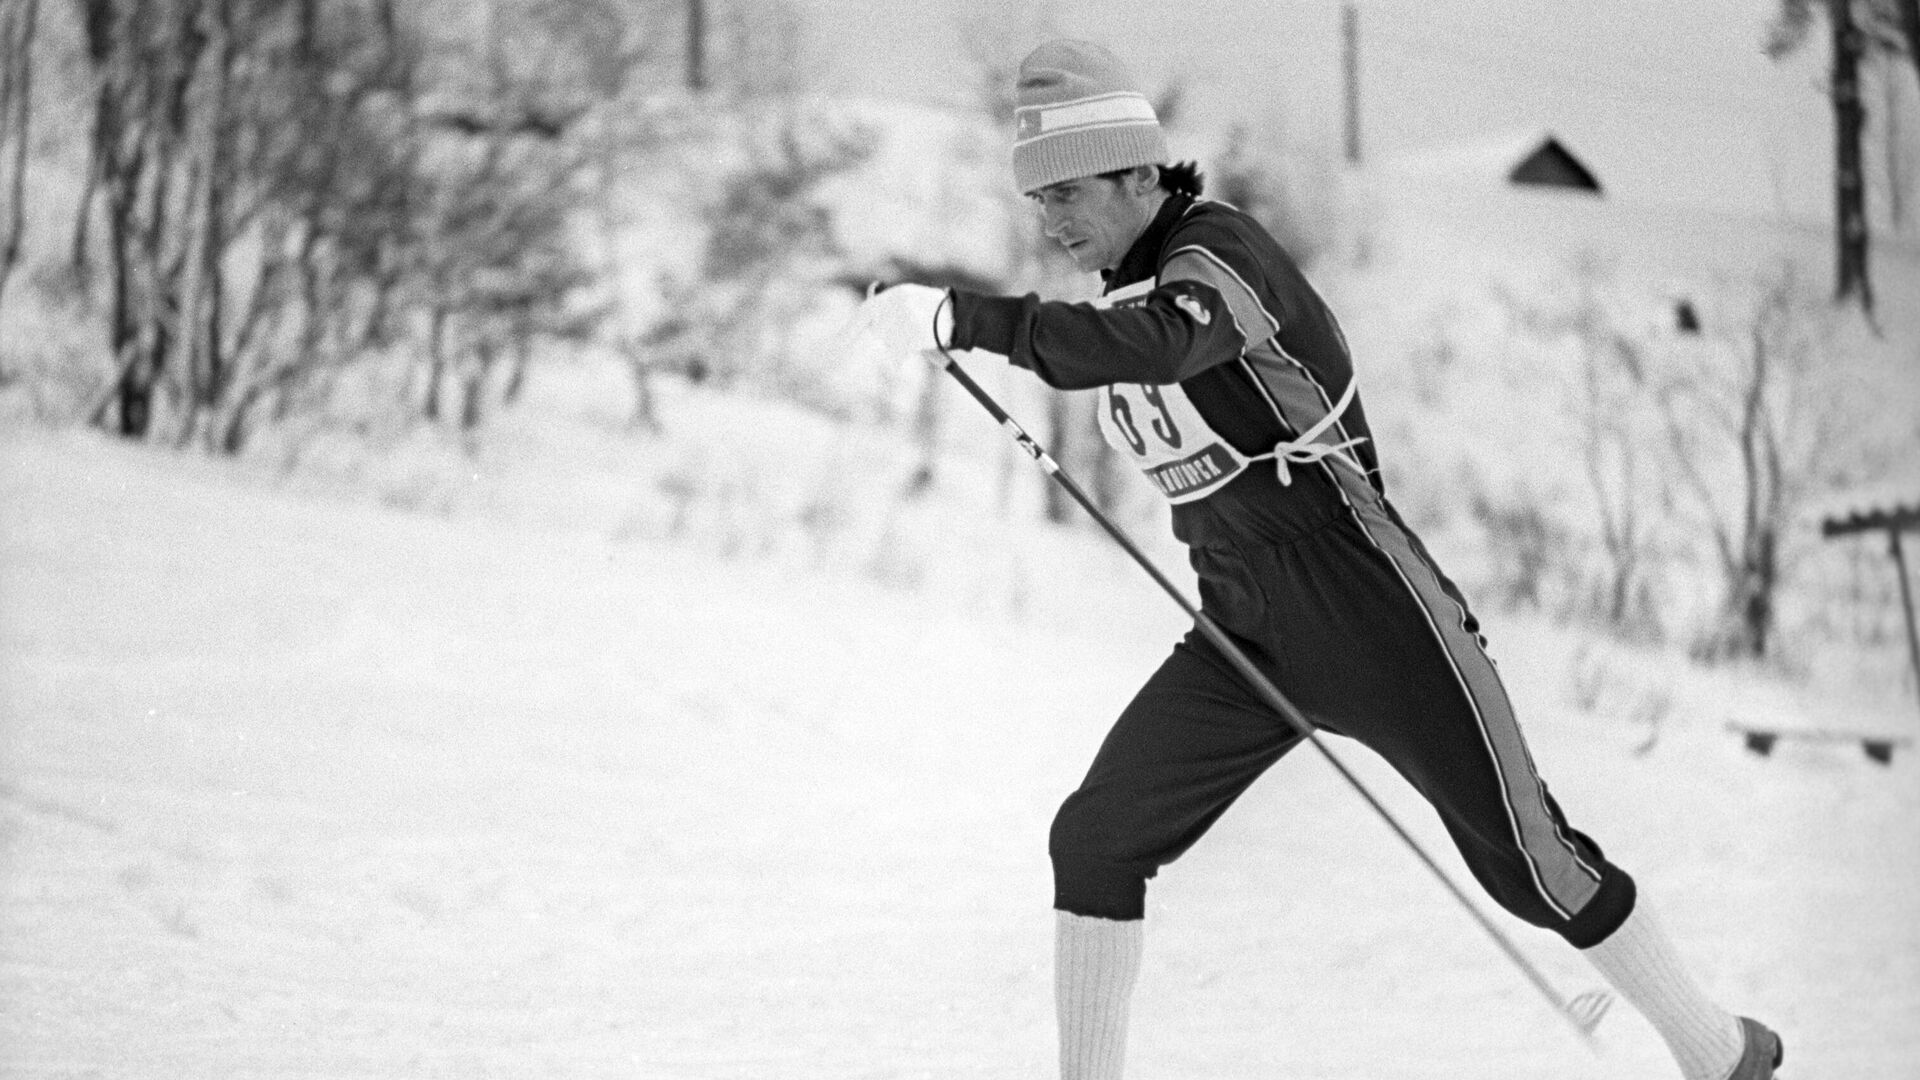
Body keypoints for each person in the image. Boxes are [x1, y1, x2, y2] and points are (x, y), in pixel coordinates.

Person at [847, 39, 1783, 1080]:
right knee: (1098, 836)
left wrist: (969, 320)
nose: (1053, 220)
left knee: (1534, 869)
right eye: (1039, 201)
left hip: (1370, 607)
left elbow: (1167, 345)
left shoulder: (1219, 255)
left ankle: (1721, 1049)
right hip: (1243, 628)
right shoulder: (1122, 293)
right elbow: (1128, 350)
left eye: (1068, 190)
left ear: (1138, 174)